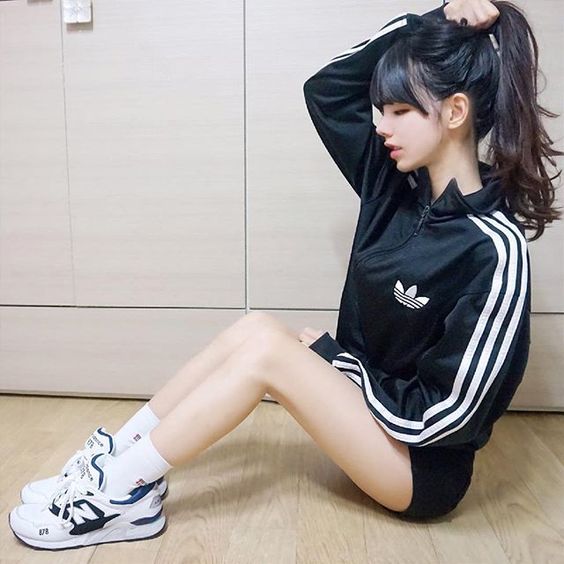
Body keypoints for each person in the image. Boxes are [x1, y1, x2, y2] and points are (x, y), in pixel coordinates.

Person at [9, 0, 563, 550]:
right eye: (381, 109)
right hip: (372, 428)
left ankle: (118, 495)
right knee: (256, 328)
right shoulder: (393, 187)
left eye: (399, 110)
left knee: (268, 356)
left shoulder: (493, 250)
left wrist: (341, 365)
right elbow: (327, 89)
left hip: (419, 469)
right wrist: (435, 20)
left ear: (455, 112)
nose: (380, 125)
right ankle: (120, 457)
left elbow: (450, 416)